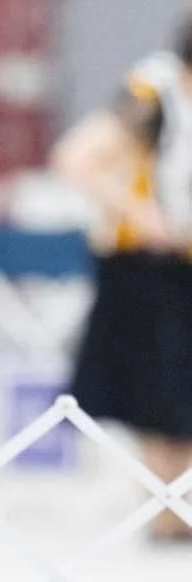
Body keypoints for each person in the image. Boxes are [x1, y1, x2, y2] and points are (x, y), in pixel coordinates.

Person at [52, 16, 192, 541]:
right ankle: (167, 515)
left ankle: (176, 512)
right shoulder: (150, 96)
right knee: (158, 400)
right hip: (147, 268)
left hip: (181, 268)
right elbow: (75, 158)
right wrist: (143, 214)